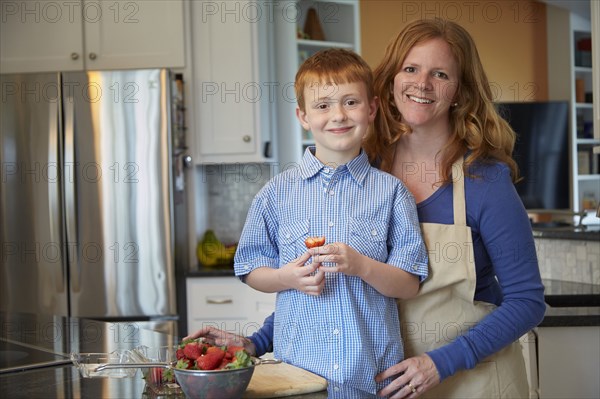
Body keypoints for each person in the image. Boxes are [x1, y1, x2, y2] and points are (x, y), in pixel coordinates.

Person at [187, 18, 546, 399]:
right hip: (386, 386)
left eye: (440, 74)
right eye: (410, 69)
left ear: (459, 90)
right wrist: (257, 342)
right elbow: (337, 290)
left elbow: (527, 302)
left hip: (476, 382)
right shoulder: (366, 172)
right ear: (390, 82)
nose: (422, 83)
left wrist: (441, 362)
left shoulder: (484, 180)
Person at [233, 48, 428, 395]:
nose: (338, 115)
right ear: (303, 116)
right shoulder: (276, 194)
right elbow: (250, 268)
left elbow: (409, 284)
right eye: (323, 105)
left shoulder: (392, 193)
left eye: (350, 102)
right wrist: (284, 277)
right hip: (297, 380)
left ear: (371, 109)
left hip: (372, 380)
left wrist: (362, 266)